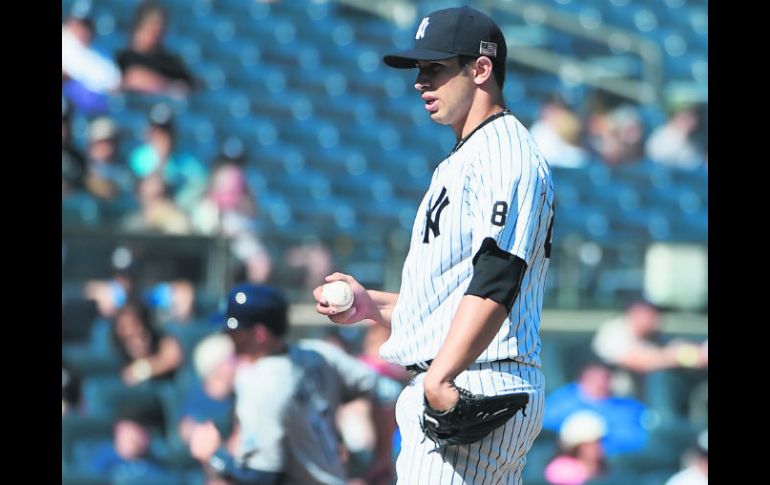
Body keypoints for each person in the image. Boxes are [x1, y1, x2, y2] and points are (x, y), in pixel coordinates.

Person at [314, 6, 555, 483]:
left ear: (481, 69)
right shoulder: (467, 155)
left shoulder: (505, 155)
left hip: (476, 378)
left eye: (435, 69)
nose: (421, 82)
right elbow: (457, 299)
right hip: (469, 372)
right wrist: (373, 306)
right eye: (420, 70)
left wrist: (440, 378)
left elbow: (498, 277)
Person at [188, 283, 400, 485]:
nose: (228, 335)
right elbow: (386, 391)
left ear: (259, 334)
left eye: (235, 330)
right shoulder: (317, 353)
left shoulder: (259, 382)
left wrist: (214, 456)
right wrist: (382, 455)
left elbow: (263, 478)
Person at [542, 358, 649, 456]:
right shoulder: (561, 403)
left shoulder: (628, 407)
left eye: (605, 378)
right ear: (582, 379)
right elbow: (544, 431)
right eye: (594, 378)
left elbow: (639, 439)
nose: (600, 383)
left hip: (622, 463)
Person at [544, 410, 608, 485]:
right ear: (576, 446)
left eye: (598, 441)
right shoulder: (561, 468)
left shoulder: (603, 468)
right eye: (589, 444)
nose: (596, 447)